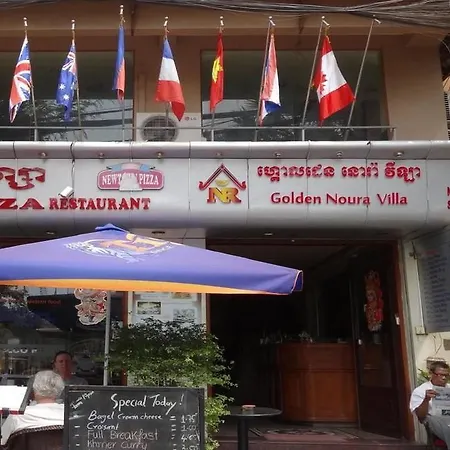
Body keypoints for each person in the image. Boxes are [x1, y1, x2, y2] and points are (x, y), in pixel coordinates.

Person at [1, 370, 65, 446]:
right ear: (60, 390)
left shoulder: (18, 415)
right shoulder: (70, 415)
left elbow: (2, 441)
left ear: (33, 390)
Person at [410, 361, 450, 447]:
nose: (444, 378)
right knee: (433, 419)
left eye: (446, 375)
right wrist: (426, 400)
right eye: (440, 375)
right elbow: (421, 416)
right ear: (431, 374)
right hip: (435, 421)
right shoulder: (420, 390)